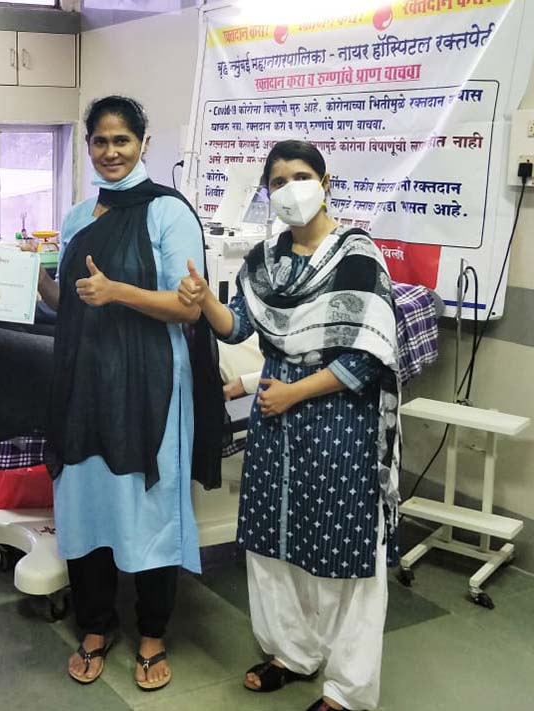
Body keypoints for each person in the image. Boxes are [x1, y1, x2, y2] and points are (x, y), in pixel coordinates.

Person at [178, 139, 400, 711]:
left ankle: (348, 689)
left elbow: (367, 356)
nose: (289, 189)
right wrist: (204, 299)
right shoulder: (267, 260)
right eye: (276, 181)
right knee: (273, 542)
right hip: (277, 420)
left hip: (337, 418)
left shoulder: (358, 256)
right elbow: (237, 329)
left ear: (326, 182)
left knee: (343, 550)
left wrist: (294, 393)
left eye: (300, 176)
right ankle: (291, 653)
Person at [37, 95, 204, 692]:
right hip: (83, 380)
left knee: (146, 503)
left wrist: (119, 293)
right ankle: (95, 625)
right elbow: (68, 304)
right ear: (88, 147)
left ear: (143, 144)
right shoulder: (80, 214)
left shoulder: (168, 212)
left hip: (148, 381)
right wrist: (34, 277)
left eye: (122, 141)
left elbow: (188, 306)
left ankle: (153, 632)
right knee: (86, 500)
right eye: (100, 142)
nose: (110, 152)